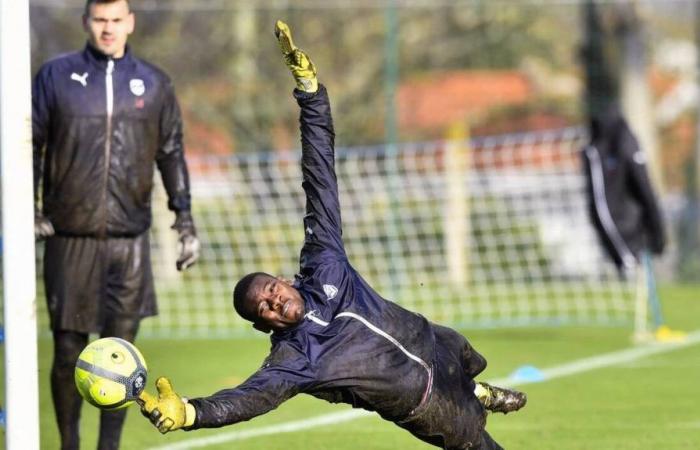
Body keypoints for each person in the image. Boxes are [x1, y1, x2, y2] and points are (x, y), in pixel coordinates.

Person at [138, 21, 525, 450]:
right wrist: (191, 412)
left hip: (433, 340)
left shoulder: (324, 262)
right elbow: (248, 398)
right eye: (263, 309)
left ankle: (476, 389)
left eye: (269, 289)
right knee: (478, 443)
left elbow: (319, 177)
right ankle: (472, 401)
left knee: (469, 358)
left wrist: (310, 95)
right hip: (425, 403)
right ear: (262, 325)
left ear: (283, 279)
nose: (272, 301)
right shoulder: (296, 357)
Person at [32, 1, 200, 449]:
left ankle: (109, 447)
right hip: (70, 238)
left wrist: (184, 220)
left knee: (121, 356)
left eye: (115, 20)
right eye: (100, 20)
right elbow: (30, 144)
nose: (108, 29)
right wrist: (29, 207)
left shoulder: (155, 83)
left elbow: (171, 153)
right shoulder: (55, 77)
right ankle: (69, 443)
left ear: (130, 23)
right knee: (69, 351)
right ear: (86, 23)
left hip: (129, 240)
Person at [582, 105, 666, 274]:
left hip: (634, 234)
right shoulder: (598, 147)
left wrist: (656, 233)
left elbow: (645, 189)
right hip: (623, 239)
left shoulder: (625, 141)